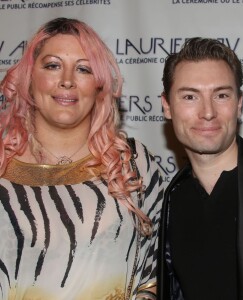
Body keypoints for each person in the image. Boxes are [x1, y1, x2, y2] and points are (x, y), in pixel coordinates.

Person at [0, 17, 163, 300]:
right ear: (29, 78)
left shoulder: (133, 165)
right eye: (52, 66)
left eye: (83, 69)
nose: (66, 81)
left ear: (99, 85)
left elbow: (158, 272)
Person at [157, 37, 243, 300]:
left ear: (239, 103)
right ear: (167, 106)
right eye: (190, 96)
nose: (208, 112)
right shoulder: (171, 201)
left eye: (221, 95)